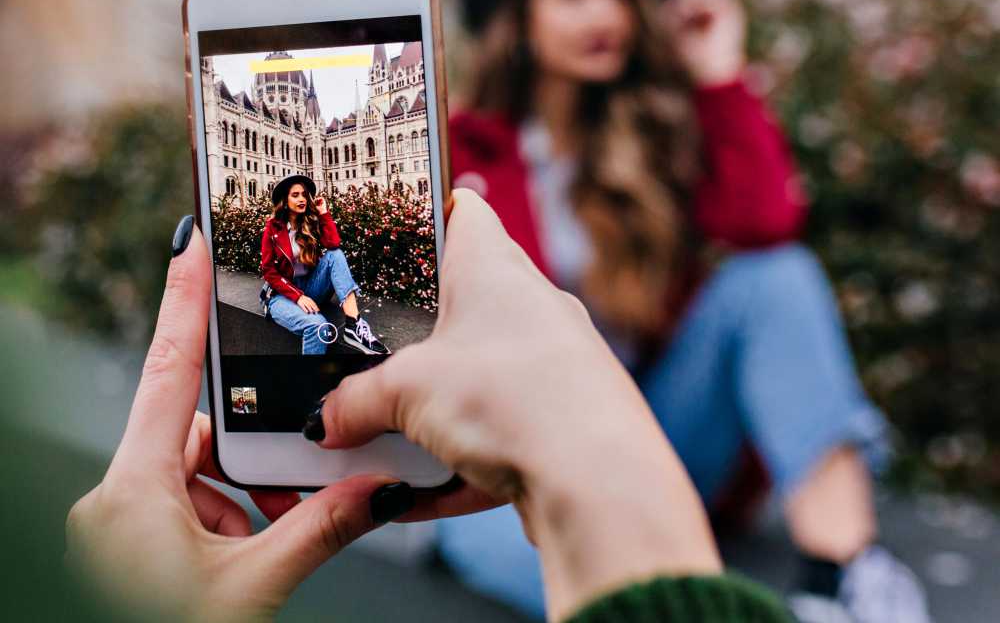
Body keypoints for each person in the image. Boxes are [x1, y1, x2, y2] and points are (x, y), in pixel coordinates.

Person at [438, 0, 931, 623]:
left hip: (658, 444)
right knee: (587, 577)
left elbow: (766, 226)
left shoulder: (661, 131)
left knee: (774, 280)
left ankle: (846, 573)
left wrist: (720, 73)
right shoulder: (460, 152)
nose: (605, 14)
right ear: (520, 14)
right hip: (515, 473)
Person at [63, 200, 793, 622]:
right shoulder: (487, 147)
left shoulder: (643, 131)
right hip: (510, 440)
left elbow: (760, 214)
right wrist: (607, 483)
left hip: (495, 430)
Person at [261, 174, 389, 356]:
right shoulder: (272, 228)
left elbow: (333, 244)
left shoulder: (309, 222)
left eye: (304, 194)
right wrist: (297, 296)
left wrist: (323, 213)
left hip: (310, 287)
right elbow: (269, 272)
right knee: (318, 326)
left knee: (335, 255)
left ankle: (353, 324)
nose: (302, 199)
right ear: (285, 200)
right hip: (281, 294)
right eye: (295, 195)